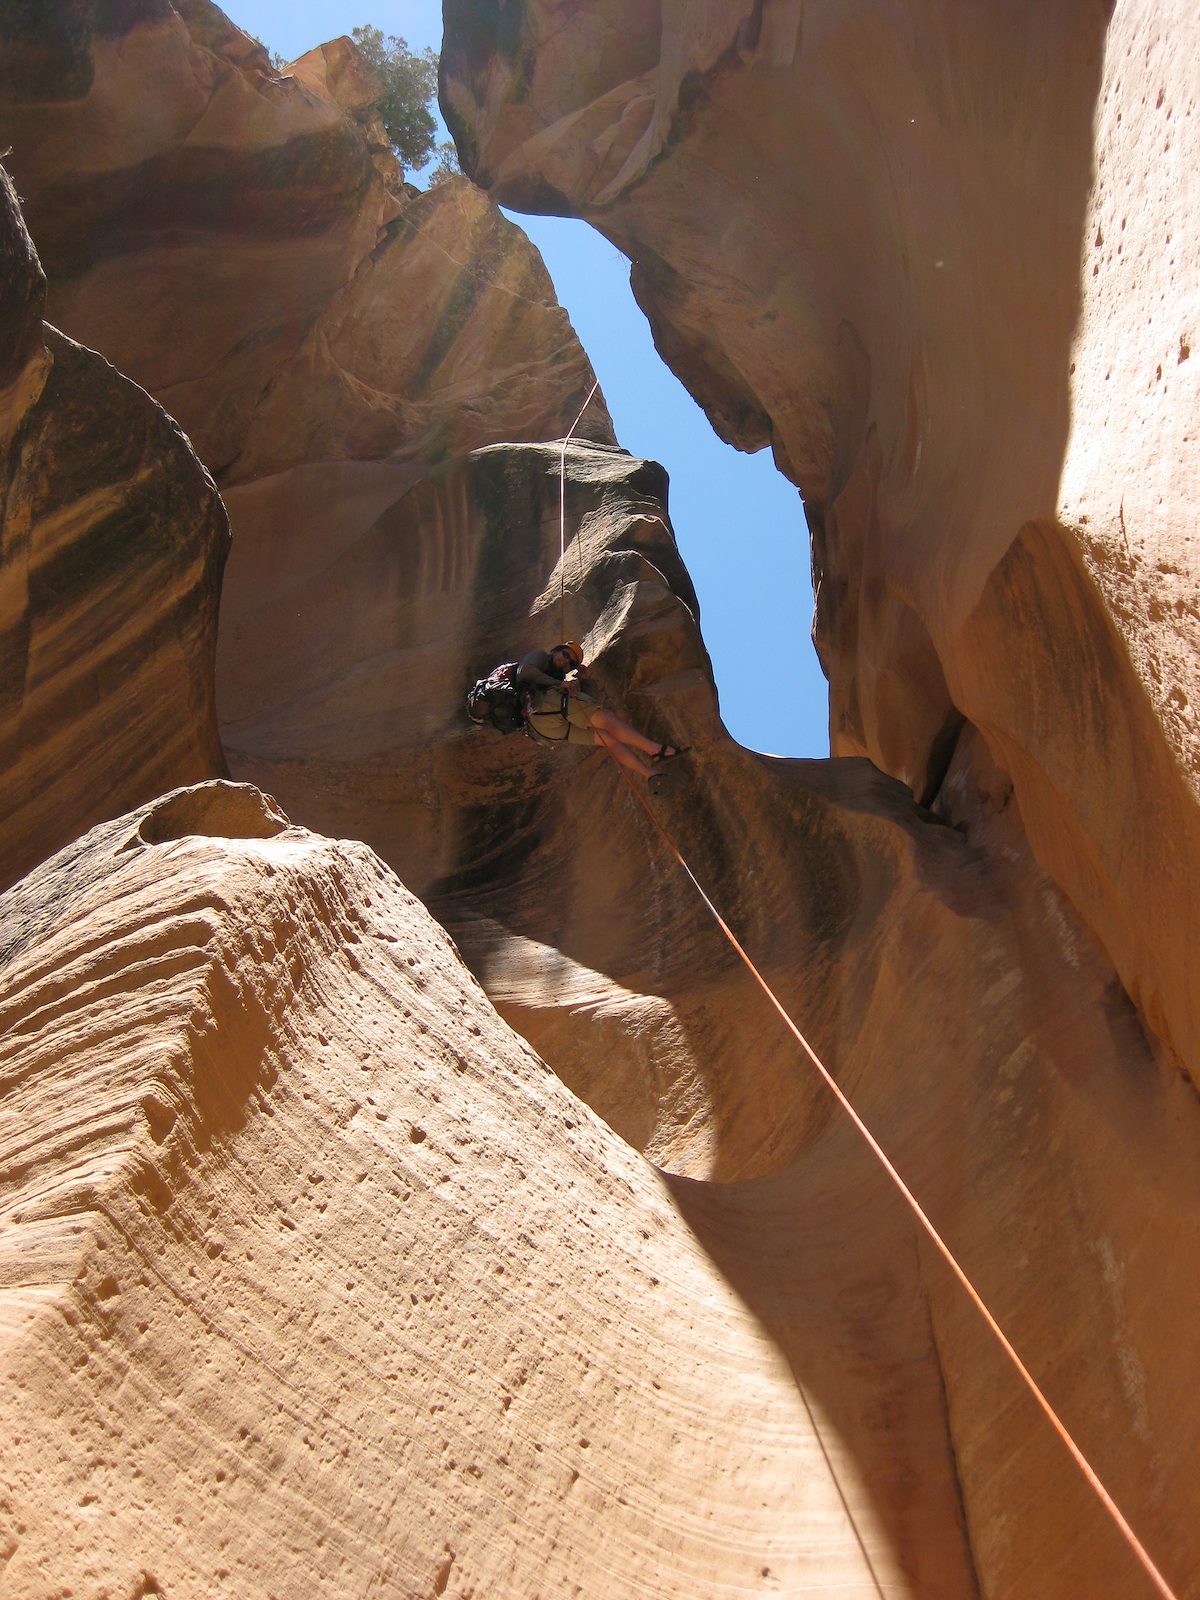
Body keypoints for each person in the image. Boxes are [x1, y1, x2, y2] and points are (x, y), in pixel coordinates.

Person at [517, 642, 687, 784]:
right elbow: (525, 672)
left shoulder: (559, 679)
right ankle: (655, 749)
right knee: (607, 719)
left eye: (571, 664)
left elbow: (588, 710)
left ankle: (650, 775)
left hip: (547, 729)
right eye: (565, 654)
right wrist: (558, 684)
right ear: (555, 650)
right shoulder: (541, 656)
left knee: (607, 739)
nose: (566, 662)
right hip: (540, 707)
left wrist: (583, 680)